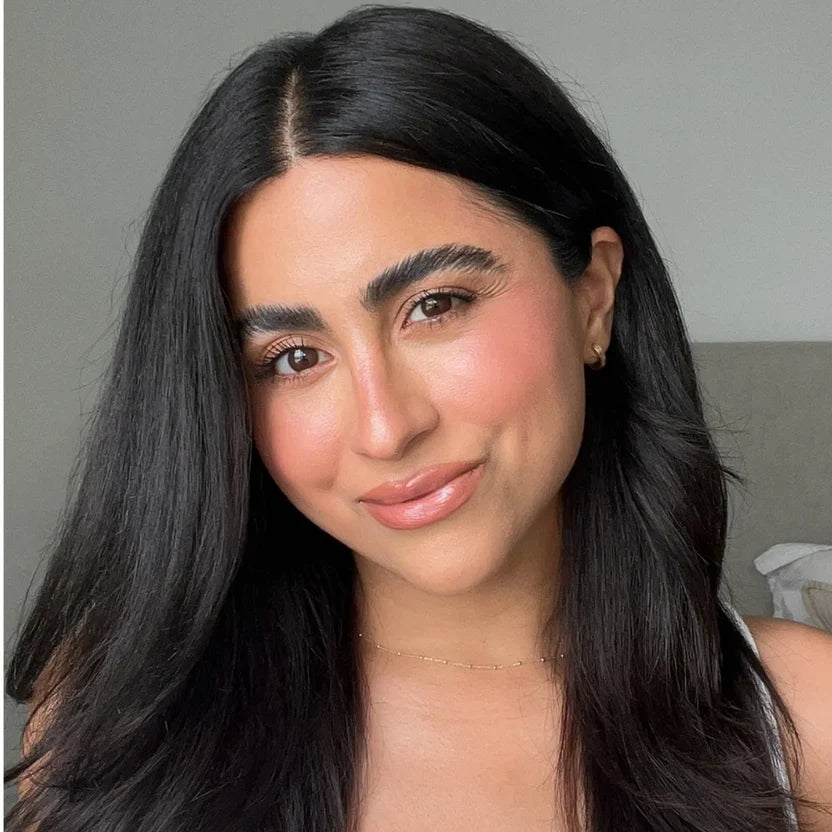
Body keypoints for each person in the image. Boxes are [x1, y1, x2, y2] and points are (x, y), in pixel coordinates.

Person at [5, 5, 831, 831]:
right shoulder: (119, 738)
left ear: (593, 296)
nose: (385, 428)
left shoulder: (808, 721)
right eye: (294, 357)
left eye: (435, 305)